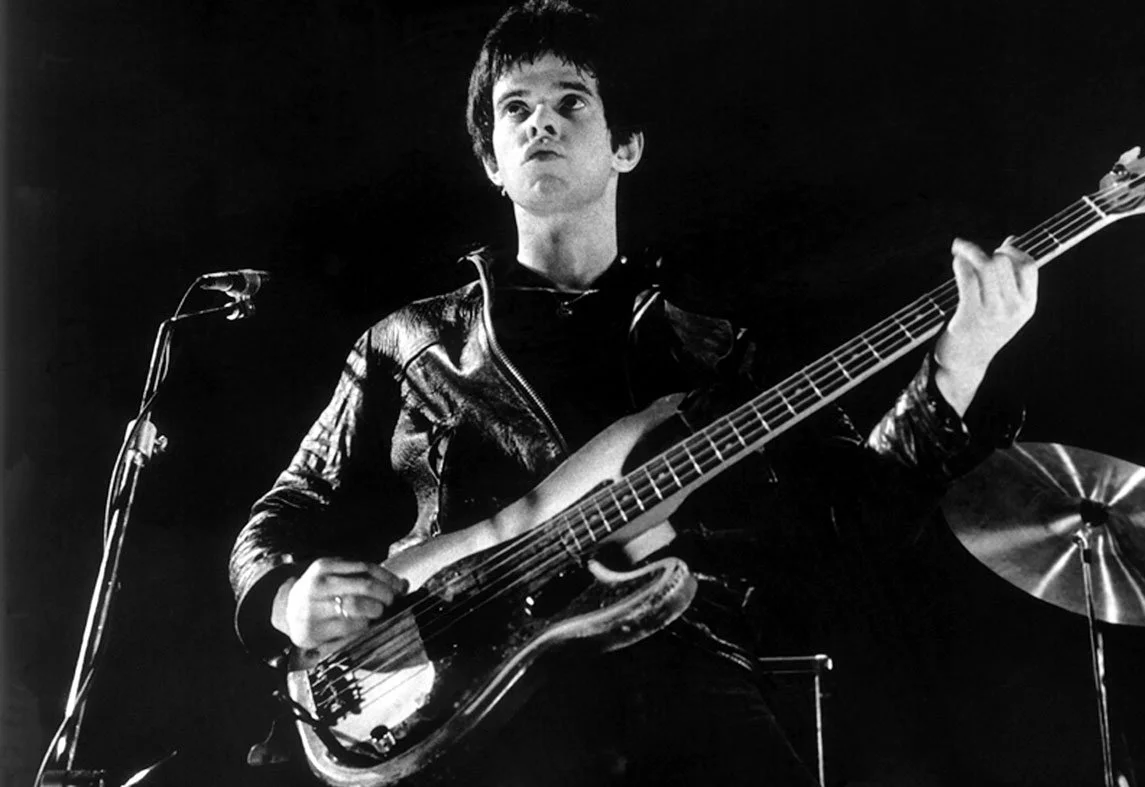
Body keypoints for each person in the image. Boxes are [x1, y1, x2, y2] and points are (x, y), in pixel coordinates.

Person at [228, 1, 1038, 784]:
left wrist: (961, 361)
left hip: (673, 672)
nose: (540, 124)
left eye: (571, 102)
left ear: (626, 146)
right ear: (492, 162)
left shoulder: (711, 353)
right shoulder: (409, 343)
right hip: (451, 692)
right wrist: (285, 597)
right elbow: (283, 511)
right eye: (515, 109)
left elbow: (851, 517)